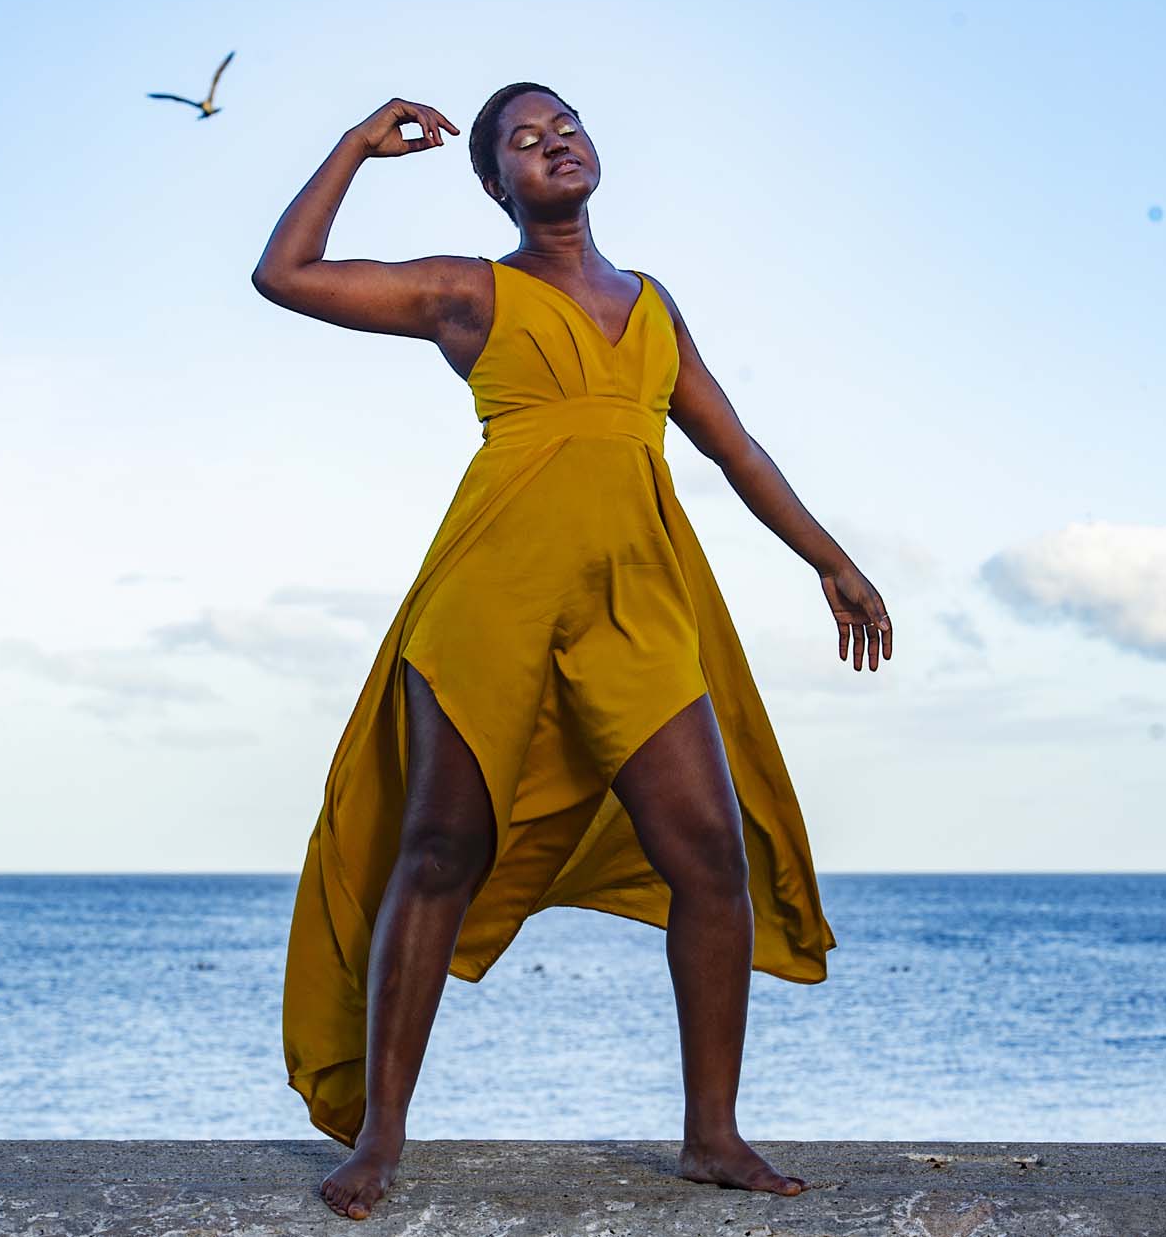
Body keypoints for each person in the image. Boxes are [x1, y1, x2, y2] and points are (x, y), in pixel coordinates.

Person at [251, 84, 893, 1221]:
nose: (554, 144)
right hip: (492, 593)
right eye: (523, 141)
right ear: (497, 183)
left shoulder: (650, 304)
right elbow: (285, 275)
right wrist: (355, 145)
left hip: (636, 600)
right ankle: (381, 1136)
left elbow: (733, 445)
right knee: (440, 846)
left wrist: (829, 558)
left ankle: (710, 1134)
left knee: (708, 851)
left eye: (566, 126)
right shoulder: (468, 291)